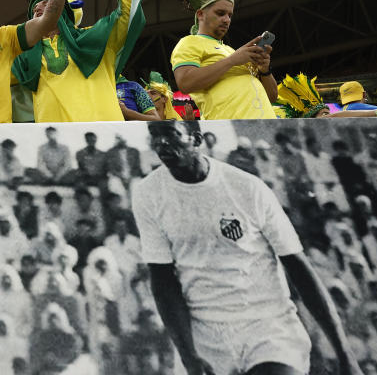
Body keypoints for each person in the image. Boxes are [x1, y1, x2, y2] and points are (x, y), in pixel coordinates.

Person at [132, 120, 364, 375]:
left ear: (197, 139)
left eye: (171, 134)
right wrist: (189, 357)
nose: (161, 142)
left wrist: (344, 352)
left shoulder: (247, 187)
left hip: (266, 325)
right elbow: (163, 282)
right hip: (205, 334)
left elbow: (298, 267)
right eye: (154, 135)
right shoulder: (148, 194)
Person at [10, 0, 146, 122]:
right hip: (55, 141)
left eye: (46, 4)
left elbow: (128, 17)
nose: (38, 10)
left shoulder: (96, 39)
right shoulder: (21, 58)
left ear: (62, 14)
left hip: (105, 137)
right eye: (34, 10)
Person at [171, 0, 278, 119]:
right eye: (220, 13)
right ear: (201, 14)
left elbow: (271, 98)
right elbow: (185, 83)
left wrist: (264, 70)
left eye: (230, 15)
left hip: (267, 127)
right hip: (229, 131)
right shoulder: (189, 42)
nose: (227, 20)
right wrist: (232, 60)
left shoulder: (231, 51)